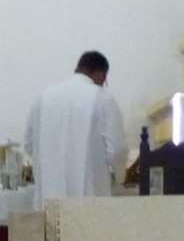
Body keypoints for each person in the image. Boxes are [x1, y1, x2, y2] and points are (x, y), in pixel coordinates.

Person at [24, 51, 127, 210]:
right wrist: (120, 177)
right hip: (89, 197)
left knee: (54, 233)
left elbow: (29, 145)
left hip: (49, 200)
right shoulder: (102, 97)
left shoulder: (43, 97)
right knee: (89, 233)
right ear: (102, 75)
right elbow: (117, 149)